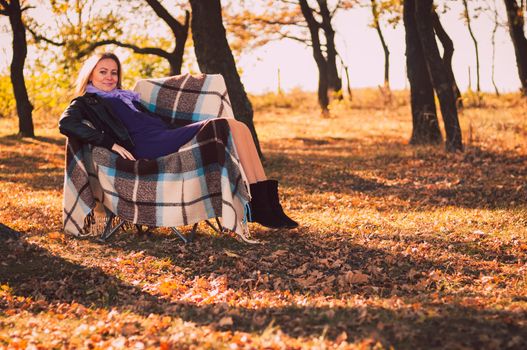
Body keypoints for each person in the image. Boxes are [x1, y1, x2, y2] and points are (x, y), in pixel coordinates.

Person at [59, 52, 298, 229]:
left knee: (238, 126)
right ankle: (261, 207)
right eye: (103, 72)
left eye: (114, 72)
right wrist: (110, 143)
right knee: (224, 124)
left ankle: (266, 204)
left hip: (163, 135)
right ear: (90, 74)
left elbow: (154, 120)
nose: (110, 77)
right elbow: (66, 124)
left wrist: (189, 127)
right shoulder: (85, 102)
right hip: (147, 146)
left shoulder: (126, 97)